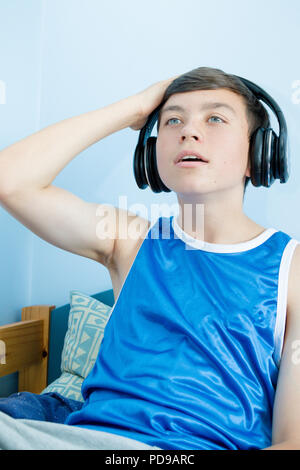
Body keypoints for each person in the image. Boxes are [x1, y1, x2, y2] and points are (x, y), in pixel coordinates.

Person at [0, 66, 299, 450]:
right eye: (172, 120)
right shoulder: (131, 240)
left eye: (215, 118)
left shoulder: (292, 268)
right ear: (151, 153)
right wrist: (135, 108)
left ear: (257, 153)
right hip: (80, 436)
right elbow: (10, 181)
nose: (189, 131)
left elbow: (293, 441)